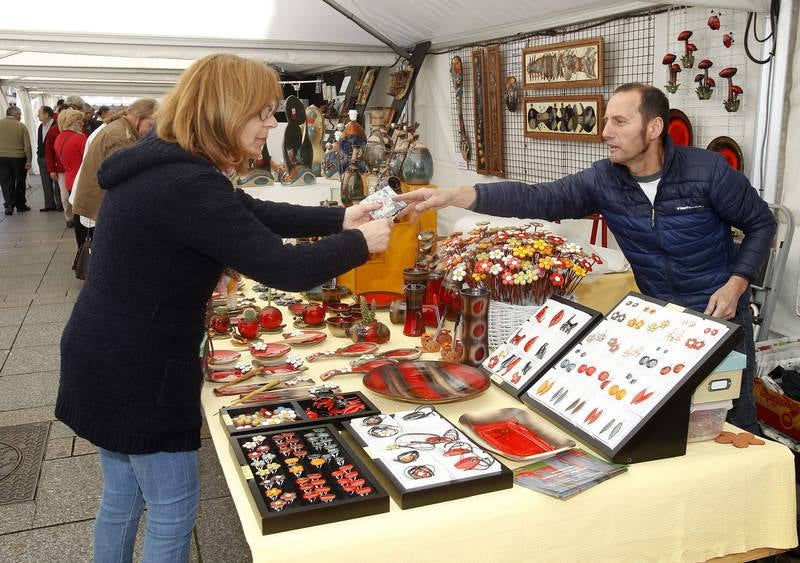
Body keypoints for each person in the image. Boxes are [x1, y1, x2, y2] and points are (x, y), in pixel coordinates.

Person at [55, 53, 393, 563]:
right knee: (171, 510)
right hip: (139, 371)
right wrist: (360, 242)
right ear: (223, 109)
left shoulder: (171, 164)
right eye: (262, 113)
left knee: (122, 498)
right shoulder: (185, 181)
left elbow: (249, 211)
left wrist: (342, 216)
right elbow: (281, 268)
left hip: (104, 352)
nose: (273, 125)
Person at [397, 83, 776, 435]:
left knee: (734, 419)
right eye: (607, 120)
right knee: (669, 420)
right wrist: (456, 195)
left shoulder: (707, 172)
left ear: (655, 127)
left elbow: (762, 223)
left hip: (721, 315)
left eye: (619, 121)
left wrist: (737, 283)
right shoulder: (604, 179)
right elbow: (537, 198)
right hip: (662, 320)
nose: (605, 131)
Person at [72, 98, 157, 225]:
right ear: (138, 118)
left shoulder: (121, 128)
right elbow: (125, 179)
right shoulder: (120, 137)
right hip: (99, 206)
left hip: (97, 203)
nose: (152, 132)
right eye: (150, 125)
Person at [53, 109, 88, 247]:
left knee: (77, 214)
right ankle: (86, 247)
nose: (82, 123)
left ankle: (80, 247)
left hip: (70, 178)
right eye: (79, 120)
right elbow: (88, 159)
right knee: (86, 217)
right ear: (72, 122)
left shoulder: (59, 138)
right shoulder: (80, 138)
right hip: (82, 179)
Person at [0, 106, 32, 215]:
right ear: (16, 114)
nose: (21, 116)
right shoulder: (21, 126)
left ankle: (9, 205)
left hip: (2, 158)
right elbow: (27, 146)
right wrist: (29, 160)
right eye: (20, 114)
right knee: (20, 181)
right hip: (18, 158)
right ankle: (20, 204)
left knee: (5, 182)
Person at [36, 106, 62, 212]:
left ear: (47, 114)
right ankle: (49, 204)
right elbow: (40, 142)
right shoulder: (40, 127)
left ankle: (60, 204)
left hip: (54, 157)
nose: (38, 115)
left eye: (39, 113)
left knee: (57, 182)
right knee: (45, 182)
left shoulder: (57, 125)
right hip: (42, 158)